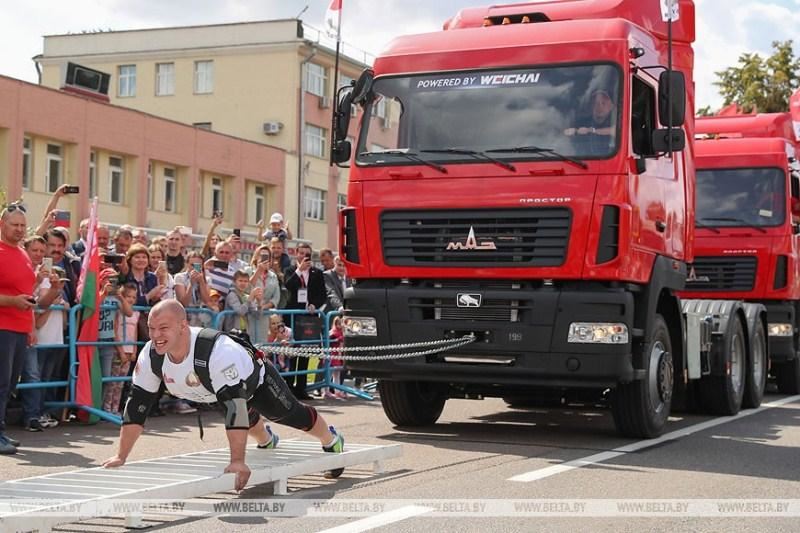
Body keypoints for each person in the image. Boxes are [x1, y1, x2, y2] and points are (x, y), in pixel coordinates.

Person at [102, 300, 345, 488]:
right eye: (152, 328)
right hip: (211, 390)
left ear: (182, 326)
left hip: (254, 381)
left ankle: (331, 439)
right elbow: (137, 407)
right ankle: (266, 440)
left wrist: (238, 461)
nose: (156, 336)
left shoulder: (217, 352)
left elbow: (234, 406)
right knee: (247, 421)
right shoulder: (151, 354)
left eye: (163, 328)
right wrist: (121, 455)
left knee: (288, 415)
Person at [0, 201, 37, 454]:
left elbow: (28, 294)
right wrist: (12, 301)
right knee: (1, 382)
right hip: (2, 326)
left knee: (11, 384)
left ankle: (1, 430)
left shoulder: (23, 253)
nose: (20, 229)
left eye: (23, 225)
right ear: (2, 224)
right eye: (15, 225)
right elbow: (15, 296)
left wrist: (31, 326)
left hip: (21, 328)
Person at [284, 242, 327, 399]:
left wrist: (315, 304)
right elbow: (289, 285)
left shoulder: (317, 272)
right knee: (291, 352)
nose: (304, 256)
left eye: (307, 254)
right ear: (296, 253)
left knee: (305, 352)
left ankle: (301, 388)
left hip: (308, 317)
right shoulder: (290, 270)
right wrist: (299, 271)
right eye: (301, 253)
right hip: (292, 316)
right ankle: (289, 387)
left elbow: (322, 294)